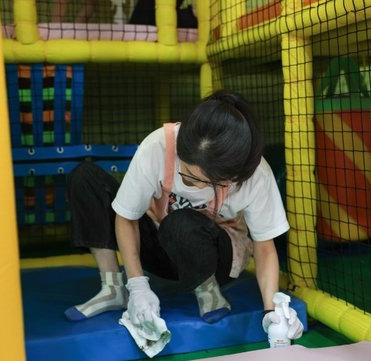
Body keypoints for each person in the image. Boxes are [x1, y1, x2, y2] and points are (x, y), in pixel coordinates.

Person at [64, 90, 303, 340]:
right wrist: (137, 286)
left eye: (199, 180)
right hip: (162, 245)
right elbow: (126, 216)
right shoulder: (156, 146)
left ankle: (208, 290)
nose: (188, 183)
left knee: (180, 222)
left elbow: (264, 246)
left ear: (228, 177)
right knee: (85, 178)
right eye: (185, 173)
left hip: (214, 258)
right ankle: (113, 288)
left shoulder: (255, 174)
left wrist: (271, 311)